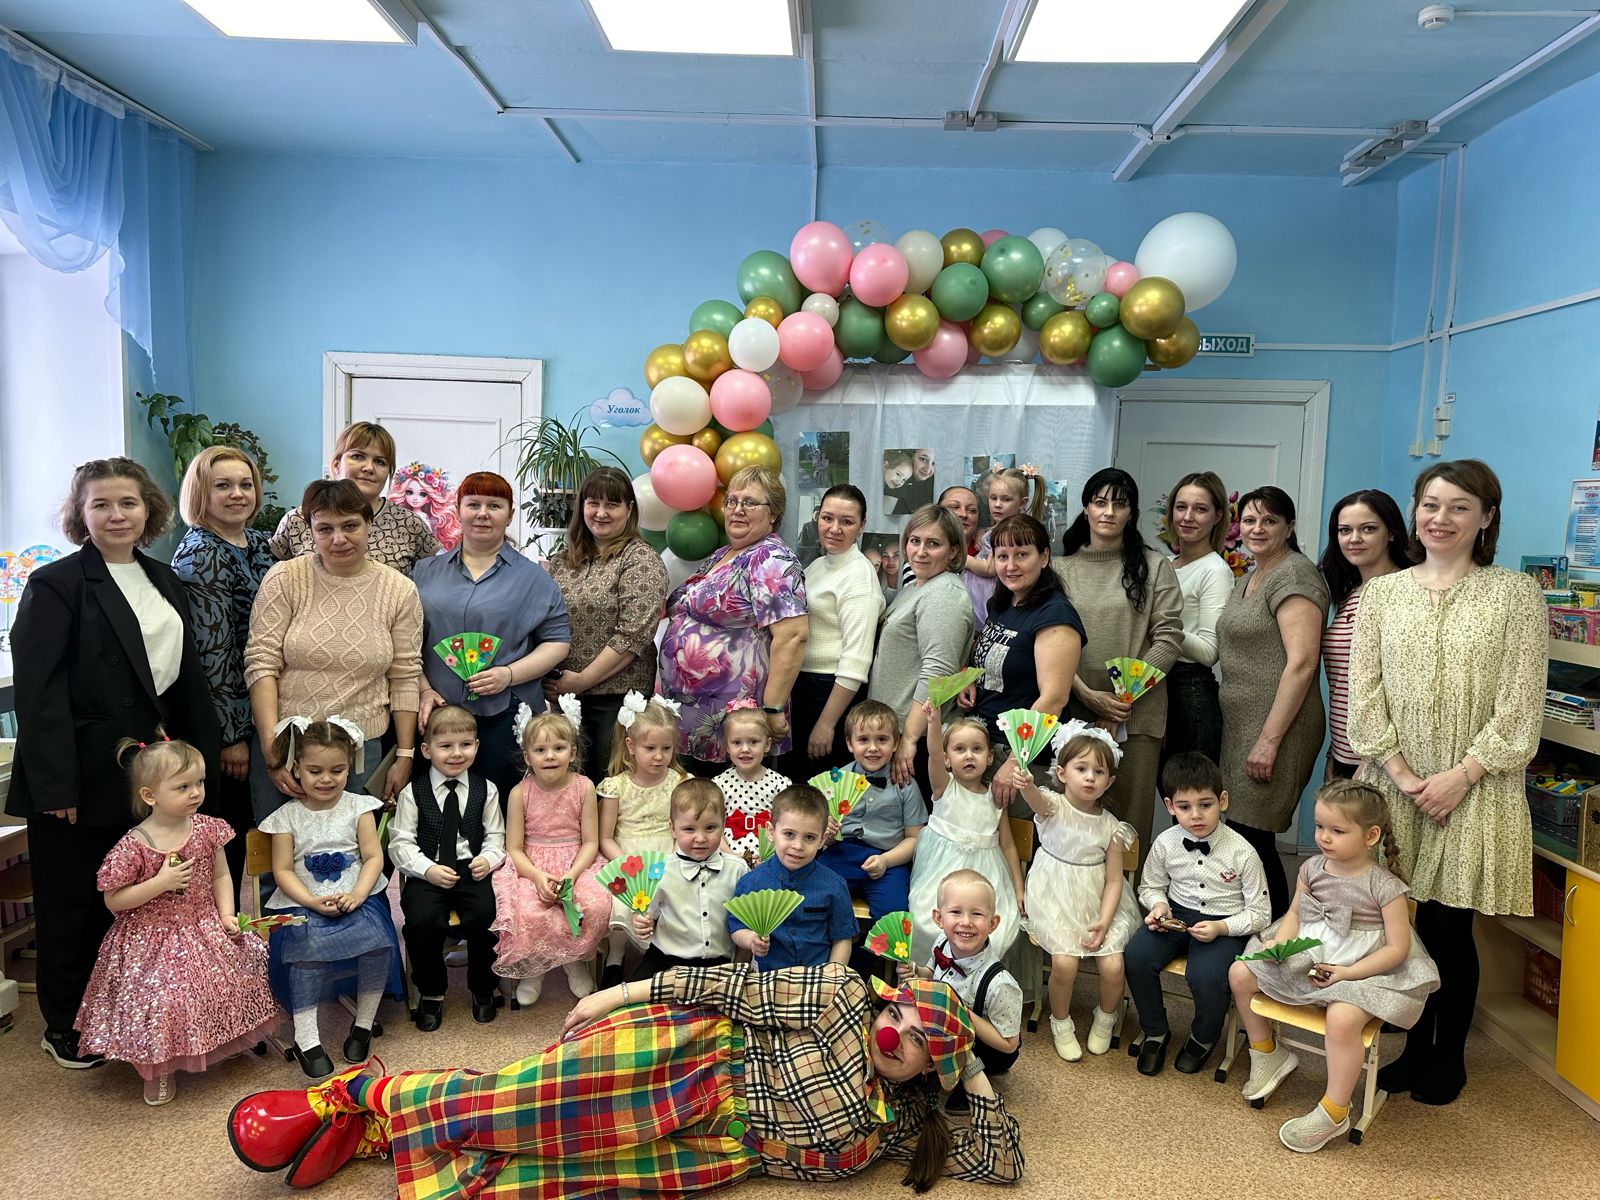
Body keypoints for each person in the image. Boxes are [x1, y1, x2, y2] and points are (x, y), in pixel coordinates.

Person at [225, 963, 1022, 1195]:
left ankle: (377, 1139)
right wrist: (618, 994)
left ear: (933, 1070)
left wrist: (973, 1076)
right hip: (687, 1062)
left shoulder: (901, 1125)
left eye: (920, 1044)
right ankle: (356, 1094)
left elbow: (1003, 1165)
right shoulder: (845, 997)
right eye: (901, 1016)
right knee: (522, 1101)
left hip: (714, 1153)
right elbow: (726, 986)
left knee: (543, 1172)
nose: (896, 1036)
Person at [6, 456, 222, 1069]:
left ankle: (126, 1019)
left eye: (127, 503)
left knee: (137, 901)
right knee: (75, 900)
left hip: (151, 769)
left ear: (148, 509)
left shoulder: (163, 578)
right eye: (100, 504)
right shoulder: (56, 584)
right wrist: (55, 785)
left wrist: (197, 762)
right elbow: (38, 694)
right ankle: (66, 1025)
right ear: (81, 514)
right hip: (80, 770)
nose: (116, 515)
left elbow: (181, 679)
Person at [1348, 459, 1545, 1106]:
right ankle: (1411, 1049)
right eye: (1431, 504)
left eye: (1460, 507)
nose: (1441, 518)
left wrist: (1460, 777)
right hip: (1395, 786)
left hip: (1476, 788)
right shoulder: (1382, 594)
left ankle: (1448, 1055)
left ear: (1487, 517)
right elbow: (1364, 696)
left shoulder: (1515, 595)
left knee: (1449, 927)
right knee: (1401, 926)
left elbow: (1520, 704)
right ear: (1415, 512)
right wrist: (1404, 776)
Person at [1229, 780, 1440, 1153]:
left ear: (1371, 836)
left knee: (1342, 1018)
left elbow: (1397, 949)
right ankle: (1266, 1052)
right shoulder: (1312, 868)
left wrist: (1347, 973)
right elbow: (1296, 914)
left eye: (1337, 831)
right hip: (1312, 953)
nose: (1324, 837)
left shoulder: (1384, 886)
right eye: (1319, 826)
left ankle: (1334, 1110)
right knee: (1240, 973)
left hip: (1364, 968)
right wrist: (1280, 945)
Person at [76, 738, 276, 1106]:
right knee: (164, 1000)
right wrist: (160, 883)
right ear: (149, 795)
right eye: (183, 787)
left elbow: (220, 875)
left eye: (199, 782)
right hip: (150, 939)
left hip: (203, 924)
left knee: (238, 976)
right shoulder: (134, 844)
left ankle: (225, 1038)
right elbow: (113, 899)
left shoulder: (207, 829)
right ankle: (160, 1069)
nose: (196, 793)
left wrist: (226, 914)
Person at [245, 479, 422, 820]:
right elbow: (261, 662)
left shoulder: (400, 591)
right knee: (276, 847)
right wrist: (271, 748)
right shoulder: (284, 578)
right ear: (310, 530)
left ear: (369, 524)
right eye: (325, 528)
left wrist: (405, 754)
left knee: (355, 849)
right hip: (287, 745)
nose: (338, 539)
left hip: (359, 754)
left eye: (350, 526)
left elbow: (405, 676)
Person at [413, 470, 572, 802]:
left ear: (510, 514)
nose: (483, 513)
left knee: (500, 806)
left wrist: (508, 674)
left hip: (505, 715)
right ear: (458, 510)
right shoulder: (424, 572)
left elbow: (557, 642)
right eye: (473, 504)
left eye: (494, 506)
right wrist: (424, 689)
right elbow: (405, 642)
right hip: (436, 714)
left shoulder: (534, 579)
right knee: (434, 807)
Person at [257, 717, 401, 1079]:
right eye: (315, 771)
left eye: (337, 770)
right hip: (304, 898)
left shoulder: (358, 807)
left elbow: (373, 857)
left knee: (378, 941)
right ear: (297, 768)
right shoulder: (286, 817)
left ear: (349, 767)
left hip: (356, 892)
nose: (326, 779)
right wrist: (309, 900)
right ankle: (307, 1039)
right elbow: (283, 871)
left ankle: (363, 1025)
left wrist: (358, 893)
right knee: (306, 949)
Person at [1054, 468, 1183, 854]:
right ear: (1086, 508)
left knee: (1127, 830)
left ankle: (1129, 898)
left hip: (1137, 716)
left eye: (1120, 504)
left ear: (1131, 512)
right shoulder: (1059, 569)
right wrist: (1086, 694)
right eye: (1100, 502)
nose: (1109, 512)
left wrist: (1122, 701)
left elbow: (1169, 638)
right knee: (1075, 827)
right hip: (1076, 712)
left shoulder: (1155, 566)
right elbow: (1049, 644)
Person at [1216, 485, 1329, 917]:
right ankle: (1258, 931)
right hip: (1243, 726)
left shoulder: (1294, 576)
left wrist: (1268, 741)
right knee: (1244, 835)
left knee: (1255, 838)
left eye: (1269, 520)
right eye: (1249, 520)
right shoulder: (1251, 575)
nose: (1257, 528)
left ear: (1290, 526)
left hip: (1278, 728)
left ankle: (1278, 932)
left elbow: (1302, 663)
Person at [1125, 752, 1270, 1078]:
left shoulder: (1243, 852)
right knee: (1136, 956)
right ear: (1169, 806)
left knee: (1206, 976)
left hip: (1225, 921)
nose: (1196, 815)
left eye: (1205, 805)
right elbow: (1150, 886)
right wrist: (1158, 906)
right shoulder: (1165, 842)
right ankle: (1155, 1031)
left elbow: (1261, 913)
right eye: (1185, 807)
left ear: (1223, 800)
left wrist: (1222, 928)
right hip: (1176, 913)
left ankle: (1203, 1037)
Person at [171, 445, 277, 884]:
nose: (237, 494)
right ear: (201, 493)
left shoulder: (257, 543)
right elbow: (211, 651)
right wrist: (231, 737)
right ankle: (222, 923)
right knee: (226, 841)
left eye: (245, 484)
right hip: (228, 720)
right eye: (223, 486)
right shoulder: (202, 552)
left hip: (261, 703)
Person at [658, 465, 808, 773]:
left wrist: (773, 709)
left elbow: (792, 637)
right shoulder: (724, 553)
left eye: (750, 502)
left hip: (737, 722)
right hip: (695, 714)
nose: (737, 510)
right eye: (732, 501)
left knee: (731, 800)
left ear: (773, 514)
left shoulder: (771, 559)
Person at [1010, 722, 1139, 1063]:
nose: (1090, 778)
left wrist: (1104, 920)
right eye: (1081, 769)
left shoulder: (1110, 826)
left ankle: (1105, 1017)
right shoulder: (1052, 806)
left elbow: (1114, 881)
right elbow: (1035, 799)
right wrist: (1026, 784)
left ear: (1109, 781)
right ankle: (1061, 1022)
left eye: (1099, 772)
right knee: (1064, 964)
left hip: (1098, 901)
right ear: (1061, 773)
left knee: (1113, 966)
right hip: (1054, 895)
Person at [544, 466, 670, 774]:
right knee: (568, 787)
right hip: (566, 697)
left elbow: (632, 636)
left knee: (608, 788)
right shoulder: (563, 561)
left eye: (612, 504)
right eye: (593, 503)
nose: (601, 513)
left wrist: (581, 680)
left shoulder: (640, 559)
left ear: (629, 509)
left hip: (616, 701)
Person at [388, 705, 506, 1031]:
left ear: (476, 747)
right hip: (427, 869)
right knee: (422, 921)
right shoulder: (413, 792)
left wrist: (488, 859)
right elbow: (400, 843)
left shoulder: (487, 789)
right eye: (446, 746)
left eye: (465, 745)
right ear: (427, 751)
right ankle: (431, 991)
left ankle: (483, 986)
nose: (456, 753)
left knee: (487, 915)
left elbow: (496, 837)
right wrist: (427, 869)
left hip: (472, 868)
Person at [962, 514, 1086, 807]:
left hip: (1022, 762)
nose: (1010, 566)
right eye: (1002, 556)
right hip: (985, 747)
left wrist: (1015, 762)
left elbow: (1054, 699)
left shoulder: (1055, 615)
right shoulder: (1003, 604)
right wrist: (970, 677)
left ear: (1044, 557)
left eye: (1021, 555)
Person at [491, 701, 608, 1007]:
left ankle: (574, 961)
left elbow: (590, 842)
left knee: (593, 904)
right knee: (529, 910)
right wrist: (536, 876)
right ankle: (535, 968)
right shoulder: (520, 792)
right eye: (540, 750)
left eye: (559, 748)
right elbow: (514, 848)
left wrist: (571, 875)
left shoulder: (584, 787)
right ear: (527, 756)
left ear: (573, 752)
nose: (550, 756)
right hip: (533, 865)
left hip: (577, 863)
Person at [870, 506, 976, 806]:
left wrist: (909, 739)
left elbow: (937, 672)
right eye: (914, 541)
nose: (920, 551)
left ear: (953, 550)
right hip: (893, 732)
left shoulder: (944, 595)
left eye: (933, 544)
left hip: (914, 742)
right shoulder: (917, 586)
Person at [907, 702, 1023, 964]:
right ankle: (928, 975)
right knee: (929, 923)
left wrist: (1018, 889)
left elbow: (1007, 845)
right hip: (942, 873)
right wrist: (934, 722)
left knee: (999, 928)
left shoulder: (995, 795)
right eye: (959, 749)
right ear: (947, 759)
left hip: (986, 874)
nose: (969, 756)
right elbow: (933, 755)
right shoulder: (944, 787)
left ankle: (974, 980)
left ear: (990, 757)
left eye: (977, 749)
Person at [780, 484, 882, 782]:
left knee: (821, 790)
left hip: (830, 694)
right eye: (827, 518)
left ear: (861, 526)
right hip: (804, 689)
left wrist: (826, 724)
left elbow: (855, 661)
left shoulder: (859, 575)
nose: (834, 529)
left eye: (847, 521)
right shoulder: (818, 565)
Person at [902, 869, 1024, 1114]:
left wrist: (962, 1012)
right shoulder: (942, 943)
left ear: (992, 923)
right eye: (956, 912)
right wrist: (915, 971)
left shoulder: (1000, 984)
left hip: (989, 1047)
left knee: (970, 1053)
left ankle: (968, 1083)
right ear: (939, 918)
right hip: (947, 1028)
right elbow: (930, 972)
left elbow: (1009, 1044)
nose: (966, 921)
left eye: (977, 914)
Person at [1317, 489, 1410, 781]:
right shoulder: (1352, 592)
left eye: (1368, 529)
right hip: (1344, 751)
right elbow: (1345, 684)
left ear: (1391, 533)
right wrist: (1335, 752)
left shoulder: (1404, 591)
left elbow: (1403, 690)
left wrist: (1371, 762)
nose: (1354, 538)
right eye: (1345, 530)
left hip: (1383, 761)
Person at [597, 693, 689, 983]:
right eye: (650, 748)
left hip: (668, 851)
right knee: (620, 896)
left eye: (666, 748)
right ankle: (615, 957)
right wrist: (625, 863)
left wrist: (675, 857)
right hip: (625, 854)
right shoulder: (615, 786)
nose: (659, 756)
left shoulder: (679, 782)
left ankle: (660, 955)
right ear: (631, 746)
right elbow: (605, 837)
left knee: (669, 889)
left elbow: (684, 826)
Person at [269, 421, 440, 572]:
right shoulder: (297, 520)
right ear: (337, 465)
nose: (369, 468)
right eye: (358, 456)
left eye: (380, 461)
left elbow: (434, 582)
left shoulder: (410, 523)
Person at [816, 700, 925, 927]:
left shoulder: (905, 784)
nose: (873, 748)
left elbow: (915, 838)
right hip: (841, 854)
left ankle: (867, 948)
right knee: (813, 895)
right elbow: (820, 839)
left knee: (894, 916)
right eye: (863, 740)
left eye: (882, 740)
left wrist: (886, 860)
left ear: (896, 743)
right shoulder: (835, 781)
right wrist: (826, 835)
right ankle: (835, 945)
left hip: (889, 859)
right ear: (849, 743)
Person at [629, 779, 749, 979]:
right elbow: (647, 916)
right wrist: (642, 924)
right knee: (628, 997)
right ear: (672, 828)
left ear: (724, 825)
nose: (700, 838)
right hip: (664, 960)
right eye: (689, 829)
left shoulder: (738, 870)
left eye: (710, 828)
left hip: (718, 965)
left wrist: (739, 967)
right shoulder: (659, 871)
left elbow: (746, 922)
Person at [729, 785, 855, 971]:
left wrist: (832, 977)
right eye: (789, 834)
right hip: (766, 976)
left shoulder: (834, 885)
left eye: (809, 837)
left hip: (817, 976)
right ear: (771, 832)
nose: (798, 846)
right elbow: (736, 927)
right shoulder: (751, 882)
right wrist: (750, 939)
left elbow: (842, 939)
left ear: (822, 839)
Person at [1159, 471, 1235, 770]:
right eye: (1181, 507)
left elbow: (1208, 651)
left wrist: (1163, 626)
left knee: (1192, 790)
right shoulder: (1164, 565)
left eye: (1200, 509)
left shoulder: (1215, 571)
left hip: (1189, 690)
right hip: (1154, 685)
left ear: (1218, 516)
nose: (1188, 517)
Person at [712, 705, 790, 864]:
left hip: (771, 861)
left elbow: (788, 828)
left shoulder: (780, 784)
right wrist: (732, 857)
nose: (745, 749)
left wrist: (772, 858)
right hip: (728, 860)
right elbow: (712, 828)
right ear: (727, 746)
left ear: (767, 744)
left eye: (754, 742)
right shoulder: (718, 785)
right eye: (737, 742)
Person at [964, 466, 1046, 591]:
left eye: (1006, 499)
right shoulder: (1000, 528)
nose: (997, 505)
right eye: (993, 498)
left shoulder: (1009, 533)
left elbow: (990, 569)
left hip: (985, 590)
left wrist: (966, 560)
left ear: (1022, 503)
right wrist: (982, 531)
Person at [938, 485, 995, 631]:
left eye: (972, 510)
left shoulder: (989, 555)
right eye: (954, 507)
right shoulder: (923, 556)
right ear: (938, 512)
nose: (963, 514)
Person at [388, 461, 462, 552]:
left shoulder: (423, 516)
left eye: (422, 494)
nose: (415, 498)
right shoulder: (402, 514)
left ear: (428, 499)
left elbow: (428, 538)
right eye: (409, 492)